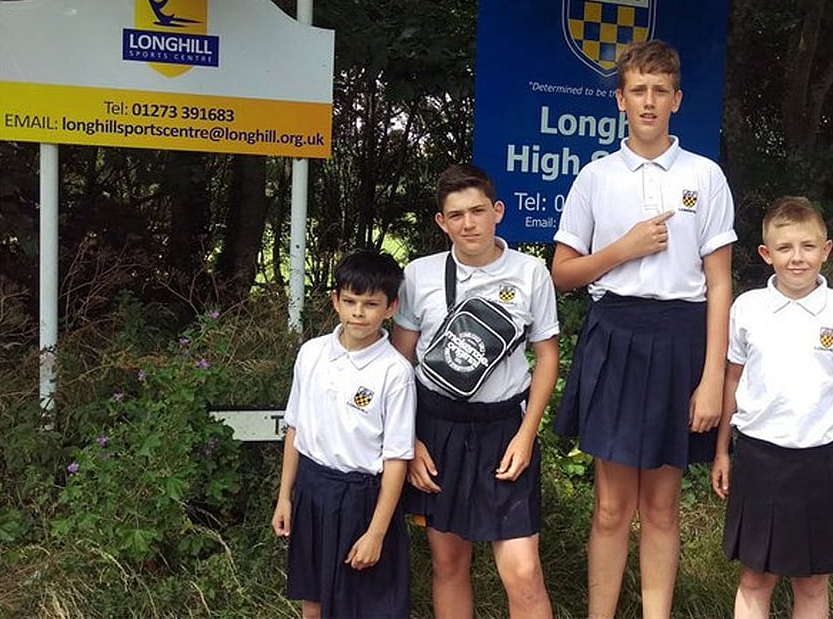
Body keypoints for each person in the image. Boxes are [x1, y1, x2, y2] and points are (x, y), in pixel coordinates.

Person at [551, 39, 737, 618]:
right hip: (614, 336)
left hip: (681, 341)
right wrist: (623, 248)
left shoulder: (705, 176)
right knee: (611, 508)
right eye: (638, 90)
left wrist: (712, 379)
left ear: (677, 99)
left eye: (660, 91)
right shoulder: (596, 177)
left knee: (661, 507)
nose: (649, 101)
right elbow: (561, 273)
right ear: (620, 100)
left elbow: (720, 284)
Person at [712, 196, 833, 618]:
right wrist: (722, 451)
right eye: (785, 248)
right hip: (759, 457)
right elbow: (732, 379)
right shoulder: (748, 309)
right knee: (755, 578)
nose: (797, 258)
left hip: (822, 459)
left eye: (808, 246)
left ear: (826, 250)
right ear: (766, 254)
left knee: (812, 581)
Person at [391, 163, 560, 619]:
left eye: (478, 211)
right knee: (449, 563)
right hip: (437, 431)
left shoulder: (530, 273)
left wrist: (526, 435)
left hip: (504, 430)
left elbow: (547, 357)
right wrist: (410, 441)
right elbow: (398, 365)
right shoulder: (419, 275)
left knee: (524, 572)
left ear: (497, 211)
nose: (469, 223)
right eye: (457, 215)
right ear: (441, 222)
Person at [271, 250, 416, 619]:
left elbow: (397, 458)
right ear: (335, 300)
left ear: (391, 307)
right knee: (313, 602)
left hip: (361, 501)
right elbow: (295, 428)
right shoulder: (311, 354)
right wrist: (285, 497)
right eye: (350, 301)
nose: (358, 313)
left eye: (371, 304)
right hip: (312, 491)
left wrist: (376, 533)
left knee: (364, 607)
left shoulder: (395, 372)